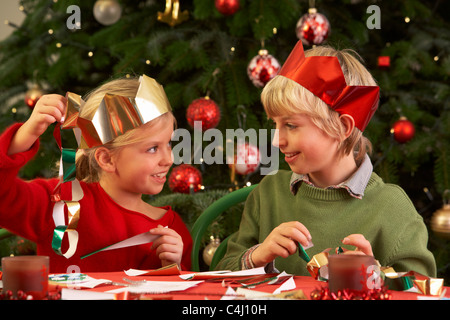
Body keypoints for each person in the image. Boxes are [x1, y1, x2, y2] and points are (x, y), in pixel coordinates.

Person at [216, 41, 436, 279]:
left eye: (290, 125)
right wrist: (258, 256)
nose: (276, 141)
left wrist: (373, 276)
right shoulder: (268, 193)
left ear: (342, 127)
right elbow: (221, 273)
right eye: (275, 124)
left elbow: (422, 287)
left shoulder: (392, 208)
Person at [0, 75, 192, 273]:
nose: (168, 159)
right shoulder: (59, 202)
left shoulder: (171, 228)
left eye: (169, 143)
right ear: (107, 160)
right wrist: (26, 135)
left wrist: (173, 266)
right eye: (152, 148)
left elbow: (191, 294)